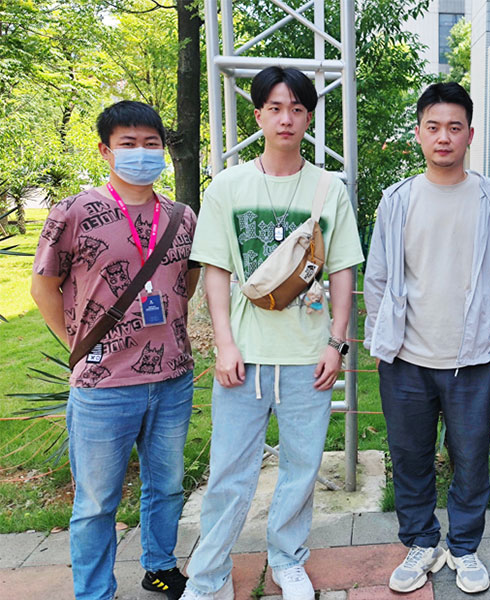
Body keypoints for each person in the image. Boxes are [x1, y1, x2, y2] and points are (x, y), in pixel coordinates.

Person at [180, 66, 363, 600]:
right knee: (229, 473)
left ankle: (287, 559)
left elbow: (343, 270)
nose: (287, 119)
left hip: (309, 355)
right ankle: (209, 575)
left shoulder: (329, 189)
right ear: (258, 114)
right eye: (276, 108)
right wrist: (224, 344)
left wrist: (336, 342)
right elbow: (215, 270)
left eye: (297, 109)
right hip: (245, 357)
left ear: (309, 118)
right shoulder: (228, 186)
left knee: (302, 468)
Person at [31, 100, 199, 600]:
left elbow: (186, 280)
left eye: (151, 143)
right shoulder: (73, 212)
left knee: (167, 486)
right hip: (103, 385)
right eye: (128, 143)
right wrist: (77, 344)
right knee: (96, 502)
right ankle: (94, 591)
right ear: (106, 150)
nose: (141, 153)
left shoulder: (182, 217)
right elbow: (43, 286)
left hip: (172, 377)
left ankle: (160, 566)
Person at [363, 82, 490, 595]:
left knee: (470, 459)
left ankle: (465, 547)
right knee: (409, 456)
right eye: (433, 127)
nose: (444, 137)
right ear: (418, 133)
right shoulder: (398, 199)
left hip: (471, 359)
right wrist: (379, 341)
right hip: (406, 357)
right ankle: (421, 542)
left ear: (470, 134)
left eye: (455, 127)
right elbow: (378, 276)